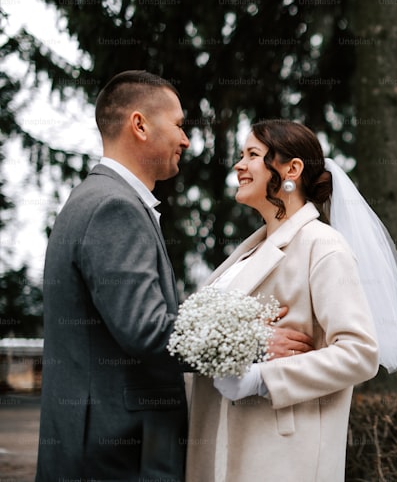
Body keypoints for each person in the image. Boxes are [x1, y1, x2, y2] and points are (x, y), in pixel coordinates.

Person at [35, 72, 313, 481]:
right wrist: (254, 342)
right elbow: (147, 330)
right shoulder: (115, 207)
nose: (186, 140)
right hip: (116, 451)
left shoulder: (96, 198)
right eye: (180, 125)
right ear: (140, 125)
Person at [186, 119, 397, 482]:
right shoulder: (249, 249)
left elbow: (359, 353)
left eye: (253, 155)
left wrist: (262, 378)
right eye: (240, 154)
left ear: (291, 169)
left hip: (282, 456)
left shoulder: (323, 246)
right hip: (221, 441)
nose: (239, 165)